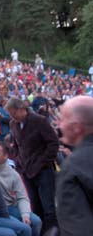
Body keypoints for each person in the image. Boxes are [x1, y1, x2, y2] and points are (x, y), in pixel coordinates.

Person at [5, 97, 59, 233]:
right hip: (26, 170)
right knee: (35, 205)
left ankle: (53, 232)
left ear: (21, 109)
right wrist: (18, 160)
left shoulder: (39, 121)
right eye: (10, 115)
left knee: (49, 207)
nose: (12, 117)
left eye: (13, 113)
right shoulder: (13, 124)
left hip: (43, 170)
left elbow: (53, 143)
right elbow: (16, 144)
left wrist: (42, 162)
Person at [0, 140, 42, 236]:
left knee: (36, 221)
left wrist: (25, 214)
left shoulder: (13, 174)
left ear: (5, 156)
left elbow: (22, 197)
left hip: (11, 206)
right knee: (24, 228)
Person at [56, 95, 93, 236]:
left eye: (63, 119)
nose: (59, 125)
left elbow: (77, 229)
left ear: (77, 127)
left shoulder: (72, 168)